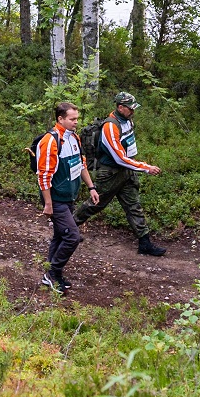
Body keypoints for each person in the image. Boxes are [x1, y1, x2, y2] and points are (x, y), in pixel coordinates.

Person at [73, 92, 167, 257]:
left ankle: (145, 243)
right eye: (130, 108)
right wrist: (146, 167)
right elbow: (119, 157)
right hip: (110, 173)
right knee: (96, 204)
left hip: (126, 171)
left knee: (133, 206)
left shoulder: (128, 120)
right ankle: (68, 228)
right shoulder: (110, 127)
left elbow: (128, 151)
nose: (133, 111)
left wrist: (135, 166)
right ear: (120, 107)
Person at [35, 102, 99, 294]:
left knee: (60, 235)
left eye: (77, 119)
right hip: (55, 199)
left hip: (68, 196)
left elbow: (81, 164)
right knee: (72, 237)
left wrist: (91, 187)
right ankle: (52, 274)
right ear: (60, 119)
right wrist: (48, 203)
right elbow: (43, 175)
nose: (76, 122)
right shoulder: (51, 141)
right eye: (72, 119)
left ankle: (52, 272)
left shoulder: (74, 138)